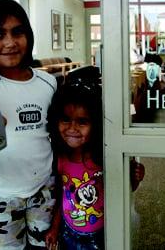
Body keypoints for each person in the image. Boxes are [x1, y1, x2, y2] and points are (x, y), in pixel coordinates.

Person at [0, 0, 57, 249]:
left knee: (45, 246)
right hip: (0, 193)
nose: (9, 42)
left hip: (44, 187)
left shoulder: (48, 82)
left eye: (17, 32)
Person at [45, 78, 145, 250]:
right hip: (68, 232)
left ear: (96, 125)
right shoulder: (59, 157)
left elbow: (124, 192)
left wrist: (136, 177)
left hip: (102, 234)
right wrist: (55, 228)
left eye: (82, 121)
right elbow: (61, 198)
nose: (72, 128)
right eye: (65, 119)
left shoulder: (104, 158)